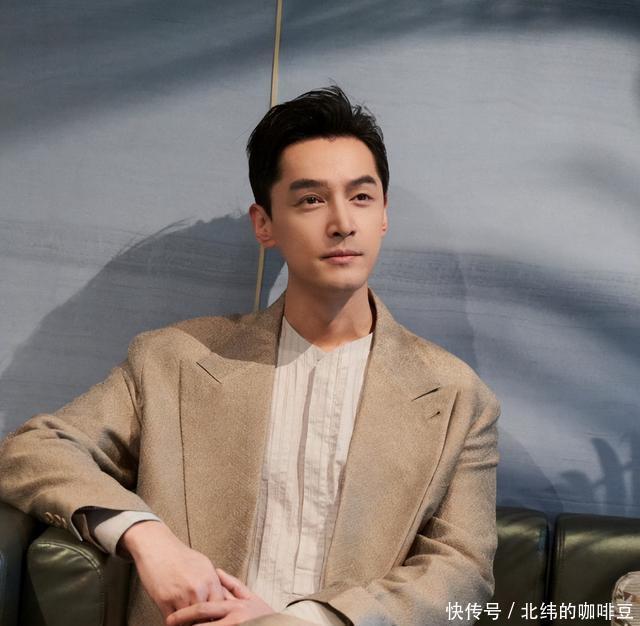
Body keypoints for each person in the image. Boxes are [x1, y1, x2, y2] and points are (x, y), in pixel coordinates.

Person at [0, 86, 500, 626]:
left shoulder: (457, 397)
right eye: (311, 200)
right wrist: (149, 539)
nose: (342, 222)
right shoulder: (173, 361)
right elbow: (34, 448)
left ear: (383, 214)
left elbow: (464, 573)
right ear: (264, 224)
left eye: (361, 196)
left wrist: (309, 621)